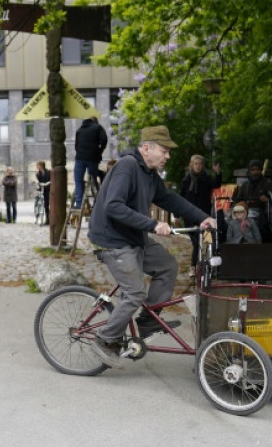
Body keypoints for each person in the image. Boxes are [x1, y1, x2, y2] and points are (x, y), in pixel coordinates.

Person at [87, 125, 216, 368]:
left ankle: (148, 320)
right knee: (135, 292)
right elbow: (113, 206)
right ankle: (105, 339)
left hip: (132, 236)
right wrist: (152, 224)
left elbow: (170, 200)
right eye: (164, 151)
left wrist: (203, 218)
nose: (168, 156)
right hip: (113, 240)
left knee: (167, 265)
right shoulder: (127, 167)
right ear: (146, 148)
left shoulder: (149, 174)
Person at [180, 154, 222, 277]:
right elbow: (180, 198)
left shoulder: (206, 178)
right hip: (189, 215)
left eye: (200, 164)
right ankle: (193, 266)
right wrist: (177, 215)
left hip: (204, 215)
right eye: (196, 164)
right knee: (195, 243)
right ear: (191, 165)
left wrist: (218, 173)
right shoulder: (186, 180)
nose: (198, 166)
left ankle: (210, 266)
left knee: (209, 239)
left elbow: (216, 184)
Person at [232, 159, 272, 242]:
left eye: (257, 170)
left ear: (260, 170)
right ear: (249, 171)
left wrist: (267, 199)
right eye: (253, 170)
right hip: (244, 212)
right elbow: (237, 200)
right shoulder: (245, 185)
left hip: (262, 212)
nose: (255, 172)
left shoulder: (267, 183)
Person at [73, 116, 108, 208]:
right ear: (95, 122)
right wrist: (99, 151)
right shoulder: (97, 127)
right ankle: (98, 202)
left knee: (78, 181)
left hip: (80, 158)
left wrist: (81, 152)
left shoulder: (79, 130)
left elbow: (76, 146)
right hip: (92, 158)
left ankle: (79, 204)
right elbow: (104, 139)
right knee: (93, 180)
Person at [35, 160, 50, 225]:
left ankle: (48, 219)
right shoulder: (38, 174)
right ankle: (42, 218)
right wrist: (38, 184)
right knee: (44, 205)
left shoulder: (49, 172)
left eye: (38, 165)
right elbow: (39, 181)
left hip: (49, 189)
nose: (37, 167)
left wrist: (49, 183)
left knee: (47, 205)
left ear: (41, 166)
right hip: (42, 189)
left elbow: (51, 180)